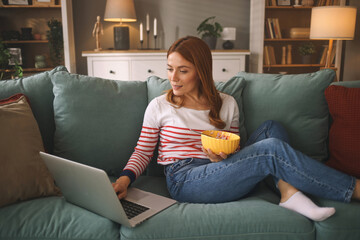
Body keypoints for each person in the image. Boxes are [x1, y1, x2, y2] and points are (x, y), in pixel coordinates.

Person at [112, 36, 360, 222]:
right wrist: (125, 179)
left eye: (183, 70)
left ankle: (288, 192)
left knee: (272, 128)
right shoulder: (160, 105)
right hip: (185, 178)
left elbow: (236, 151)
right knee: (270, 149)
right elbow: (143, 151)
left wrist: (223, 156)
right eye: (169, 68)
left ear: (200, 71)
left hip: (221, 171)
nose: (173, 77)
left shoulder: (227, 103)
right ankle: (354, 188)